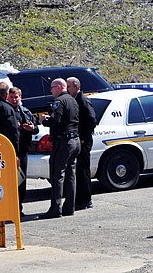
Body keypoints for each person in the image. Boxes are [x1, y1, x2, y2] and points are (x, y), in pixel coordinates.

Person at [39, 78, 80, 219]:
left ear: (57, 87)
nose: (51, 91)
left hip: (64, 142)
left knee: (57, 174)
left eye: (51, 88)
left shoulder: (59, 101)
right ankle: (70, 207)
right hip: (75, 140)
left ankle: (55, 209)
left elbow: (56, 121)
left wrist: (44, 120)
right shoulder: (73, 100)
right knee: (70, 174)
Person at [7, 87, 39, 217]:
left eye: (16, 97)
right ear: (7, 97)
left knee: (21, 181)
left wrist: (32, 128)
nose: (14, 100)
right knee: (8, 182)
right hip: (8, 151)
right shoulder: (5, 111)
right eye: (12, 97)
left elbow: (36, 128)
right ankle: (8, 209)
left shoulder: (25, 112)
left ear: (20, 97)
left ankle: (18, 209)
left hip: (22, 151)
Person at [67, 77, 97, 211]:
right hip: (78, 139)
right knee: (77, 170)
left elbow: (91, 121)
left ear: (76, 87)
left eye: (69, 87)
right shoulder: (73, 100)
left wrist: (83, 138)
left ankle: (85, 200)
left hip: (84, 141)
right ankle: (79, 198)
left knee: (83, 170)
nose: (67, 89)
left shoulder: (83, 101)